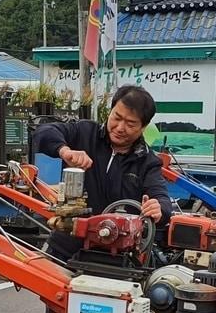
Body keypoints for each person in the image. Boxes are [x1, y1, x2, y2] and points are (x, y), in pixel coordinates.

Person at [30, 85, 173, 261]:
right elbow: (43, 131)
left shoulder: (148, 162)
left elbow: (163, 201)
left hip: (116, 256)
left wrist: (158, 209)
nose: (120, 127)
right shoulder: (85, 132)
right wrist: (65, 151)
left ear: (143, 127)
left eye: (130, 124)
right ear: (110, 111)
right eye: (116, 117)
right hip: (65, 247)